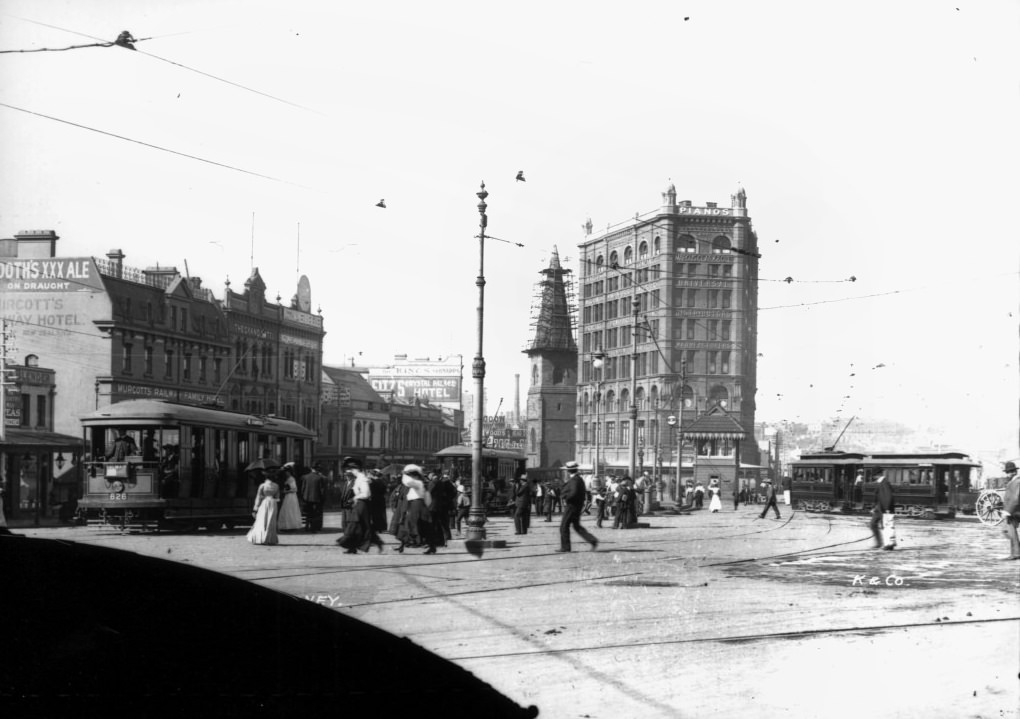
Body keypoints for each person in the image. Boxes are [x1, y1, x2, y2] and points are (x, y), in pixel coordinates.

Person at [336, 462, 384, 554]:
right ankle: (353, 547)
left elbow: (366, 494)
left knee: (356, 525)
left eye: (352, 469)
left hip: (362, 505)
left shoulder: (362, 479)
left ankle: (354, 546)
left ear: (356, 470)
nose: (351, 471)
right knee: (360, 526)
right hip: (359, 504)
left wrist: (355, 497)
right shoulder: (359, 479)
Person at [556, 461, 598, 552]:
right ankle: (592, 540)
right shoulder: (578, 479)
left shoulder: (575, 480)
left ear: (568, 471)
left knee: (564, 526)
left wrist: (565, 497)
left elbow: (573, 493)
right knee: (576, 526)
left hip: (572, 506)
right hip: (576, 506)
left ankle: (565, 547)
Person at [398, 464, 438, 554]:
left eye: (411, 476)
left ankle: (403, 545)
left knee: (412, 524)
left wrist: (404, 474)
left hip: (417, 505)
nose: (410, 477)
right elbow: (428, 499)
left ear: (415, 476)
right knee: (414, 525)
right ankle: (402, 545)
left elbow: (408, 482)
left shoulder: (418, 483)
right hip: (418, 505)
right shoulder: (421, 484)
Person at [247, 468, 280, 545]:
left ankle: (260, 538)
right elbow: (278, 498)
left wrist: (255, 508)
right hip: (273, 503)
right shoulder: (276, 486)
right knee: (271, 520)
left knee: (262, 519)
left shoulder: (262, 485)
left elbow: (258, 497)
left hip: (265, 503)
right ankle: (270, 538)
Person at [868, 467, 895, 550]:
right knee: (873, 524)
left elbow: (888, 496)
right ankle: (879, 543)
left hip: (884, 508)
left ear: (878, 475)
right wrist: (874, 507)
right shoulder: (881, 482)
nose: (874, 478)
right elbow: (878, 496)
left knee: (886, 526)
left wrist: (887, 508)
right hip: (878, 508)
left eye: (874, 476)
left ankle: (889, 545)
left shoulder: (885, 483)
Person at [999, 461, 1019, 560]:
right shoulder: (1014, 482)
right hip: (1013, 510)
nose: (1007, 474)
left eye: (1009, 472)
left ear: (1014, 472)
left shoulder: (1016, 482)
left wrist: (1008, 511)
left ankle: (1016, 553)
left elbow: (1015, 498)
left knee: (1011, 531)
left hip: (1015, 511)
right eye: (1007, 472)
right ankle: (1015, 552)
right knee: (1011, 531)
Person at [299, 463, 326, 532]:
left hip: (306, 498)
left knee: (308, 513)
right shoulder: (320, 478)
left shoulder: (304, 477)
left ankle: (307, 527)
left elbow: (302, 489)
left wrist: (302, 497)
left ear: (311, 469)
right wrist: (323, 499)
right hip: (316, 499)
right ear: (317, 470)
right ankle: (313, 528)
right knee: (315, 514)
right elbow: (322, 490)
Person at [277, 463, 303, 531]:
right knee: (286, 510)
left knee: (290, 510)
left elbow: (295, 489)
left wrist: (285, 491)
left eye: (287, 472)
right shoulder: (288, 478)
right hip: (288, 496)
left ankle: (292, 526)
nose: (286, 473)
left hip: (291, 496)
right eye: (285, 472)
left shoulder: (292, 478)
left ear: (289, 472)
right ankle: (286, 526)